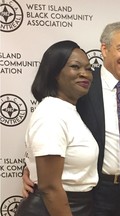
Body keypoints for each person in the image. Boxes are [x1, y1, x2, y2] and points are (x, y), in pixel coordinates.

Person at [22, 22, 120, 216]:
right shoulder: (81, 85)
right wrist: (32, 168)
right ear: (104, 49)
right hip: (94, 191)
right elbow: (48, 134)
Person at [16, 40, 99, 216]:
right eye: (75, 67)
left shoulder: (68, 110)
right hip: (51, 209)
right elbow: (50, 187)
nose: (85, 74)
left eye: (88, 68)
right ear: (54, 72)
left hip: (76, 206)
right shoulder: (51, 112)